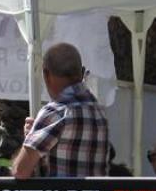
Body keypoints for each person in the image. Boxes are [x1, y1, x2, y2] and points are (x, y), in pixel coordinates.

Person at [11, 42, 109, 179]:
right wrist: (36, 137)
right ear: (82, 72)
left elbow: (20, 171)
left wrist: (29, 139)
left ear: (46, 74)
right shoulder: (99, 112)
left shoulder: (56, 111)